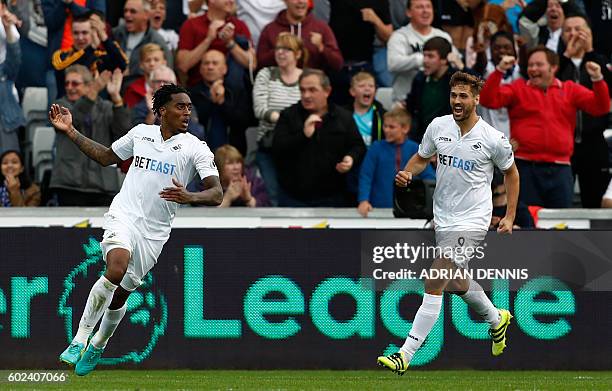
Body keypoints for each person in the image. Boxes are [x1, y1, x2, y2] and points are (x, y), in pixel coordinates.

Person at [51, 83, 223, 376]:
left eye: (189, 108)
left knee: (121, 294)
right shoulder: (140, 134)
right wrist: (70, 131)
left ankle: (98, 344)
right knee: (115, 268)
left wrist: (190, 197)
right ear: (162, 110)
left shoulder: (196, 148)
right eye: (180, 106)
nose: (186, 113)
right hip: (124, 215)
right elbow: (106, 157)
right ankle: (79, 340)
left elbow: (217, 193)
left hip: (154, 233)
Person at [377, 71, 520, 375]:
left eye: (463, 96)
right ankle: (496, 318)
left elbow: (511, 173)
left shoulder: (492, 138)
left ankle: (405, 353)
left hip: (473, 218)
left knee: (435, 278)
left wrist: (508, 216)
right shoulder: (438, 126)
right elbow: (421, 156)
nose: (457, 101)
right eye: (453, 95)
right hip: (444, 216)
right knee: (456, 281)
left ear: (476, 99)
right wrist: (408, 172)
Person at [479, 46, 610, 208]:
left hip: (560, 169)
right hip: (525, 168)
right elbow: (487, 99)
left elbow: (601, 107)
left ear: (553, 67)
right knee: (529, 225)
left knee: (561, 224)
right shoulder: (518, 88)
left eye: (539, 65)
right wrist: (499, 71)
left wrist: (597, 79)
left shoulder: (570, 90)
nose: (533, 69)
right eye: (530, 65)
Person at [272, 68, 366, 207]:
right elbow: (277, 150)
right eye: (302, 90)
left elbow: (358, 146)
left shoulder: (343, 117)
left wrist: (350, 159)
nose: (306, 95)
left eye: (312, 90)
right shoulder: (288, 116)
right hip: (294, 198)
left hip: (334, 198)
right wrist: (303, 135)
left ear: (327, 91)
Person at [50, 65, 131, 206]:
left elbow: (124, 133)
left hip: (102, 184)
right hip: (69, 184)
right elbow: (74, 120)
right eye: (67, 83)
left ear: (88, 85)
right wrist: (94, 90)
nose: (69, 87)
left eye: (75, 83)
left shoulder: (106, 106)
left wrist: (116, 98)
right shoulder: (61, 105)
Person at [557, 14, 612, 208]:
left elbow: (608, 89)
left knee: (596, 204)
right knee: (559, 204)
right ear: (561, 36)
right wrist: (566, 57)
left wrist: (590, 53)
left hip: (594, 142)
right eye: (568, 30)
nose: (573, 34)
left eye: (578, 29)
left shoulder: (601, 61)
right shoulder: (556, 63)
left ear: (589, 33)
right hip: (563, 142)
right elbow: (549, 83)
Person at [253, 32, 304, 206]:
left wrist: (286, 121)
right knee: (272, 194)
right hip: (269, 145)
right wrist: (288, 121)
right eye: (278, 48)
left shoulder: (306, 78)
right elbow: (260, 109)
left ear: (298, 54)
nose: (280, 52)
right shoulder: (266, 74)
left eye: (287, 49)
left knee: (295, 194)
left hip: (298, 146)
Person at [357, 108, 434, 217]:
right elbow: (366, 176)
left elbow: (429, 178)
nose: (386, 130)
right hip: (377, 209)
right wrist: (363, 200)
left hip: (409, 210)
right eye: (385, 126)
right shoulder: (376, 148)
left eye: (391, 127)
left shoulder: (415, 149)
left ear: (405, 128)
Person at [387, 0, 456, 103]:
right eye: (419, 7)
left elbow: (454, 62)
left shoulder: (443, 36)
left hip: (437, 101)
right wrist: (422, 60)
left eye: (428, 7)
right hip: (404, 101)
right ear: (408, 12)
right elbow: (393, 64)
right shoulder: (399, 36)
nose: (425, 11)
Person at [177, 0, 255, 88]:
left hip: (233, 92)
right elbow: (183, 66)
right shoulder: (191, 25)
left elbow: (252, 64)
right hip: (198, 91)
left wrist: (230, 43)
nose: (232, 1)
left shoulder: (240, 25)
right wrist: (208, 39)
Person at [190, 49, 253, 154]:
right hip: (201, 154)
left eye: (215, 63)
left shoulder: (237, 91)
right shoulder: (191, 93)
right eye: (206, 63)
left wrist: (222, 102)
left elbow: (243, 122)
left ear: (224, 69)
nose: (210, 67)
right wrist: (211, 99)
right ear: (200, 69)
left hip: (232, 154)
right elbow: (193, 123)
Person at [52, 13, 128, 98]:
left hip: (99, 108)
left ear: (93, 33)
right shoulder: (61, 56)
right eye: (76, 33)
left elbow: (123, 65)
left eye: (85, 33)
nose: (80, 38)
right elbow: (69, 69)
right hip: (68, 108)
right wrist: (91, 48)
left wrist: (104, 37)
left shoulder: (103, 56)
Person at [257, 0, 343, 73]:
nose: (301, 1)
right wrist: (280, 49)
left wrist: (321, 47)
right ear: (285, 1)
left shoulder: (321, 28)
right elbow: (260, 64)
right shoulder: (270, 29)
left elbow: (338, 64)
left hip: (310, 86)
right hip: (279, 87)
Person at [405, 36, 458, 143]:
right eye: (424, 55)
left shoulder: (457, 80)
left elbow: (478, 85)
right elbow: (412, 108)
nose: (425, 61)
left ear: (444, 59)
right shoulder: (420, 79)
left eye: (430, 56)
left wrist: (461, 66)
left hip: (450, 141)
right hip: (422, 140)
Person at [112, 0, 171, 79]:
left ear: (146, 15)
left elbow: (168, 72)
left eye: (133, 11)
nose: (127, 15)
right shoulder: (116, 33)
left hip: (142, 87)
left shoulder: (156, 40)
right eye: (125, 11)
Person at [0, 3, 25, 154]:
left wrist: (8, 28)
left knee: (9, 160)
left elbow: (14, 62)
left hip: (5, 120)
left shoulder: (4, 72)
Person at [349, 71, 386, 148]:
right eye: (361, 86)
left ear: (375, 91)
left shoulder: (382, 114)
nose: (367, 89)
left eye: (371, 86)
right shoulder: (343, 114)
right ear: (352, 91)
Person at [123, 43, 167, 108]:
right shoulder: (132, 90)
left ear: (164, 63)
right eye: (147, 60)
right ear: (141, 65)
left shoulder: (175, 88)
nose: (152, 64)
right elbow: (130, 117)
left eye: (156, 60)